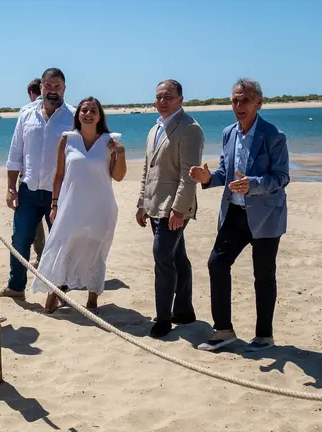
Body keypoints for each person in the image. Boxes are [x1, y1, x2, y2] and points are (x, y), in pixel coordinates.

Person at [189, 78, 289, 352]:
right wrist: (208, 178)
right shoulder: (228, 133)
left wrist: (253, 184)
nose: (238, 106)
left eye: (244, 100)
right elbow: (225, 172)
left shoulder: (274, 135)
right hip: (234, 212)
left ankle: (264, 336)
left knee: (263, 275)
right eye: (234, 100)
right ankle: (223, 331)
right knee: (217, 264)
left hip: (266, 215)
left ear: (258, 103)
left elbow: (282, 177)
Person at [32, 97, 126, 314]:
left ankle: (92, 299)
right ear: (78, 115)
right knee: (63, 247)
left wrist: (120, 153)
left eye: (93, 110)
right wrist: (54, 204)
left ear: (100, 116)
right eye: (84, 110)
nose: (88, 114)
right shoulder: (67, 139)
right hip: (71, 205)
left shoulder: (111, 141)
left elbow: (118, 176)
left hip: (101, 206)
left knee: (96, 250)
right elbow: (59, 175)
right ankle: (53, 293)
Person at [136, 79, 205, 338]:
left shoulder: (189, 128)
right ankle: (184, 311)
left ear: (180, 99)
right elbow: (147, 169)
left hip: (174, 208)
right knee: (177, 257)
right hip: (154, 204)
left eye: (168, 97)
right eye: (158, 97)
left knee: (162, 257)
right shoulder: (155, 128)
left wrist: (178, 209)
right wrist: (141, 203)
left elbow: (189, 175)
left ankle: (163, 319)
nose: (162, 101)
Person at [2, 68, 75, 300]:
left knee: (61, 242)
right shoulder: (26, 114)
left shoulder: (74, 116)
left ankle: (60, 290)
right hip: (28, 190)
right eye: (48, 86)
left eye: (57, 86)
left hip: (60, 193)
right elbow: (15, 152)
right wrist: (11, 187)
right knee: (20, 239)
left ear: (64, 88)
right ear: (41, 87)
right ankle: (16, 287)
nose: (52, 91)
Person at [21, 77, 46, 266]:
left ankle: (40, 255)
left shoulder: (26, 110)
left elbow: (20, 146)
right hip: (54, 178)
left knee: (35, 223)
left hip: (30, 178)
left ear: (31, 93)